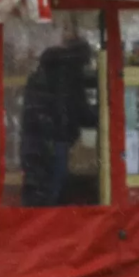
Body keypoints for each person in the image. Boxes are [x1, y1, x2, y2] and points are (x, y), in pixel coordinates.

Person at [20, 38, 98, 207]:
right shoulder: (71, 76)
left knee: (37, 185)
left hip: (32, 137)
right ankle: (47, 220)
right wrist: (103, 115)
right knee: (54, 187)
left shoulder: (39, 74)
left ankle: (33, 219)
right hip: (56, 138)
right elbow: (80, 111)